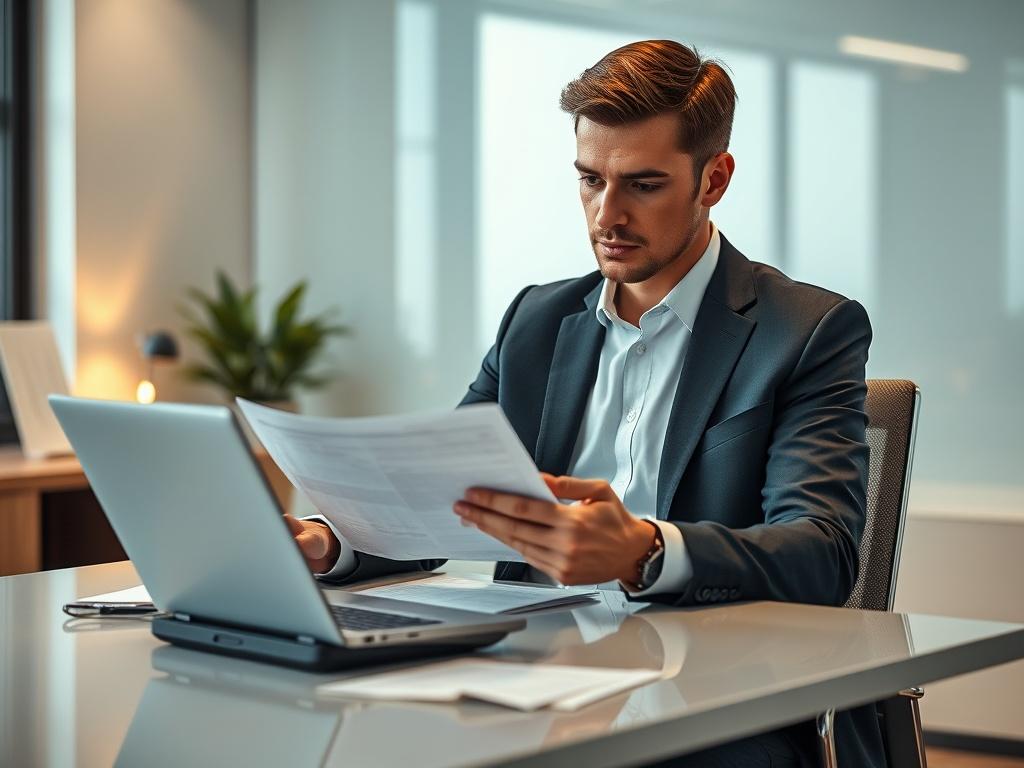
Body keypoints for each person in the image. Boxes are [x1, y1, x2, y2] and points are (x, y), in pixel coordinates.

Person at [285, 40, 884, 767]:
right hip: (524, 689)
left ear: (714, 179)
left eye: (643, 185)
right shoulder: (536, 322)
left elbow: (822, 551)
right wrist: (327, 541)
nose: (608, 214)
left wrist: (646, 550)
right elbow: (441, 502)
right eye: (590, 180)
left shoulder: (804, 331)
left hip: (705, 704)